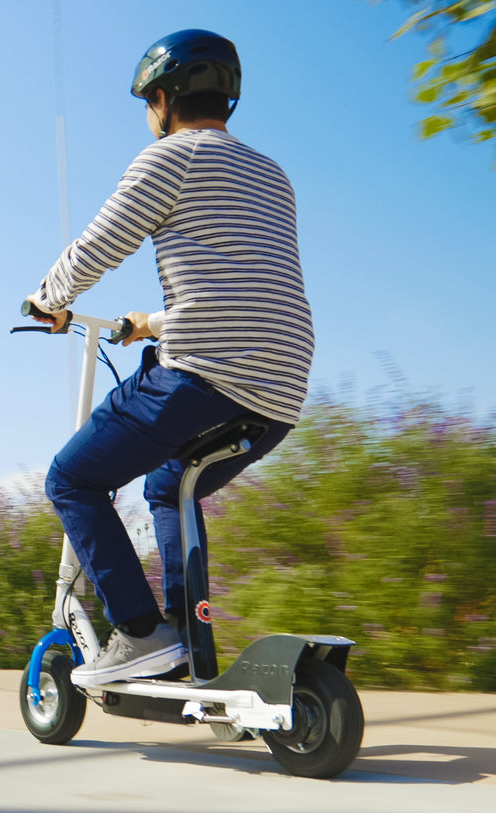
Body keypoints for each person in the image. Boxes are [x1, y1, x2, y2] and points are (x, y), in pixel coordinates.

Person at [26, 29, 313, 686]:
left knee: (72, 479)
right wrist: (144, 322)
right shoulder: (271, 173)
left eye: (148, 102)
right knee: (167, 485)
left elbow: (99, 244)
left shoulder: (170, 157)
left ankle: (136, 630)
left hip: (201, 375)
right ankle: (187, 633)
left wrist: (47, 299)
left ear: (163, 96)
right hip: (278, 389)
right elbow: (244, 283)